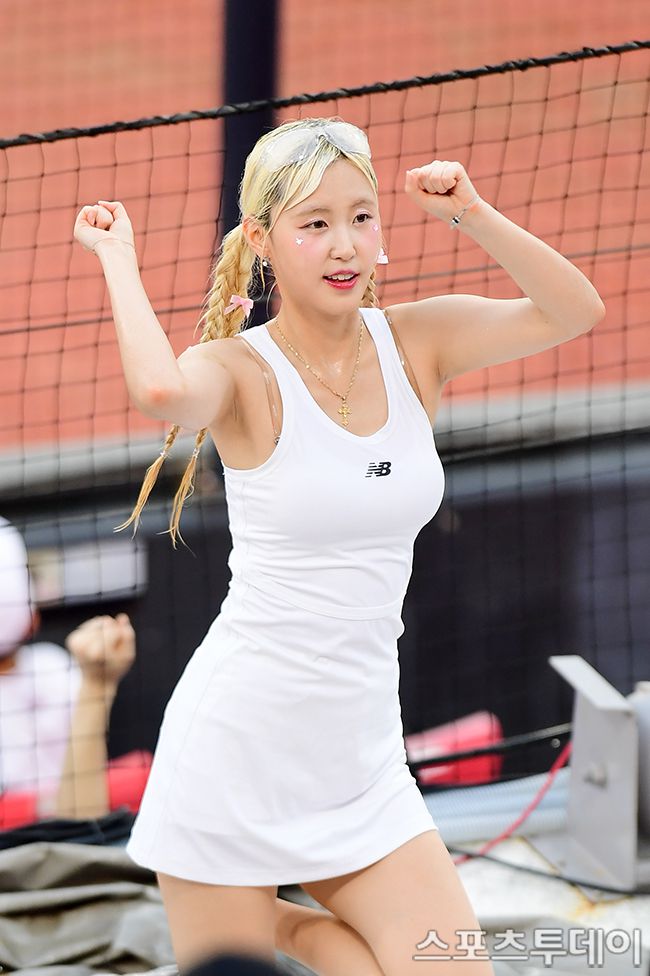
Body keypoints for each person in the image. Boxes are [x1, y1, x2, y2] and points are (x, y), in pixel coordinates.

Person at [73, 116, 605, 975]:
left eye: (361, 216)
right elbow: (163, 391)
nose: (344, 244)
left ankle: (277, 924)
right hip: (235, 755)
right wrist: (117, 259)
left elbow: (574, 311)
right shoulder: (243, 369)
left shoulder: (416, 341)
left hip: (361, 763)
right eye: (314, 223)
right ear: (261, 241)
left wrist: (470, 211)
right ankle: (260, 922)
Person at [0, 515, 135, 821]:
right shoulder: (57, 668)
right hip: (67, 824)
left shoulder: (54, 669)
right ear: (32, 617)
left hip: (67, 822)